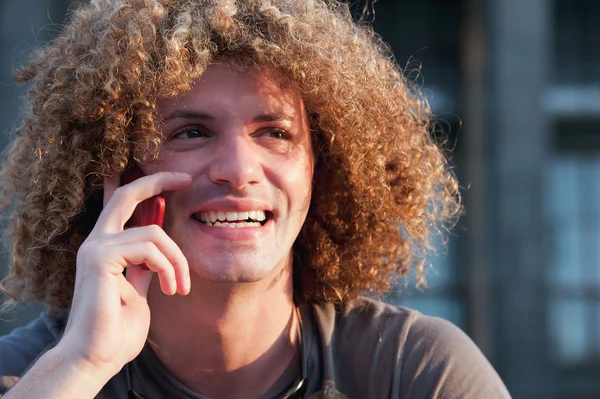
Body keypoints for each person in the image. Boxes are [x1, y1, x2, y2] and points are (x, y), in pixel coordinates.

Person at [0, 0, 511, 398]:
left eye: (274, 133)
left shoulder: (414, 371)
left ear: (321, 167)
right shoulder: (29, 376)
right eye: (192, 132)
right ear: (116, 173)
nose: (239, 171)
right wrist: (81, 366)